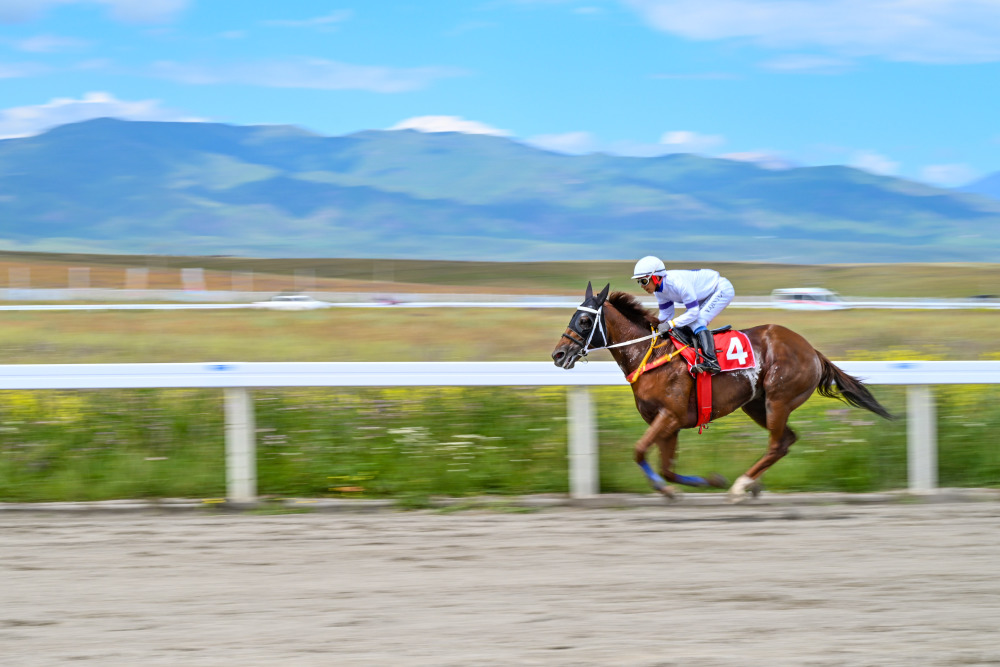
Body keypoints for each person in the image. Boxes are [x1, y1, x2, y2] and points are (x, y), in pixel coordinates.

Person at [631, 255, 735, 374]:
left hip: (720, 289)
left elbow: (693, 313)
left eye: (644, 281)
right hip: (704, 295)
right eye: (639, 281)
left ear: (657, 277)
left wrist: (670, 324)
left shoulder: (677, 283)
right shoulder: (659, 291)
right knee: (685, 324)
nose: (642, 286)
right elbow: (666, 314)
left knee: (697, 321)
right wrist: (653, 326)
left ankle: (712, 361)